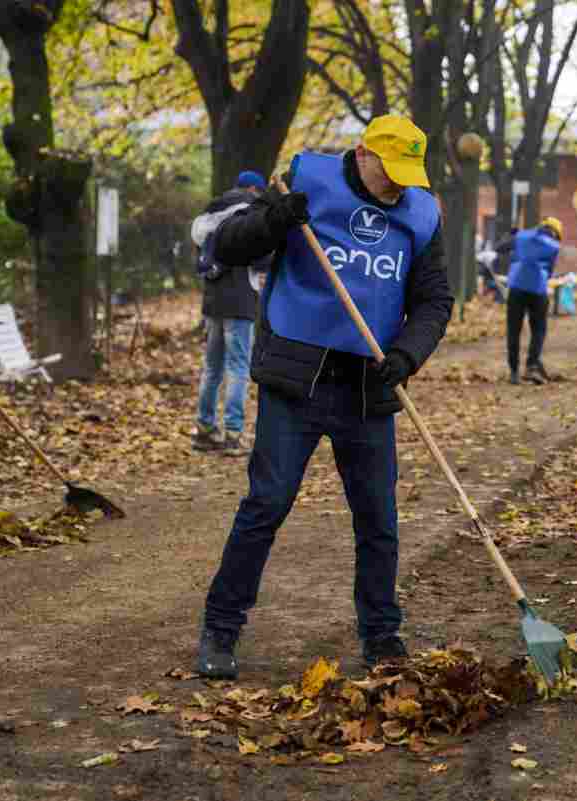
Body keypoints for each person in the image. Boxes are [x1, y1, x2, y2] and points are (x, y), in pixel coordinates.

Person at [195, 114, 453, 679]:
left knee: (379, 519)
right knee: (266, 505)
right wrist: (271, 222)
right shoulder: (305, 181)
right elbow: (229, 247)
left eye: (410, 173)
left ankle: (383, 636)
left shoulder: (421, 212)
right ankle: (220, 628)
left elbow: (435, 300)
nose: (400, 184)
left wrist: (408, 355)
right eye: (391, 170)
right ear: (362, 153)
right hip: (296, 379)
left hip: (369, 388)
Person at [190, 171, 272, 453]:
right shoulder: (249, 212)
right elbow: (262, 256)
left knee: (212, 367)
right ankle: (233, 434)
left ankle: (204, 429)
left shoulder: (211, 210)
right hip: (240, 298)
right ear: (253, 189)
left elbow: (200, 253)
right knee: (237, 367)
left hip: (213, 298)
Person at [505, 217, 562, 385]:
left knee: (513, 330)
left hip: (516, 286)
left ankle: (514, 372)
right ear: (555, 233)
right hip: (537, 288)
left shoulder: (522, 236)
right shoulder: (554, 247)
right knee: (538, 329)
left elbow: (502, 248)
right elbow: (550, 270)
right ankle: (531, 365)